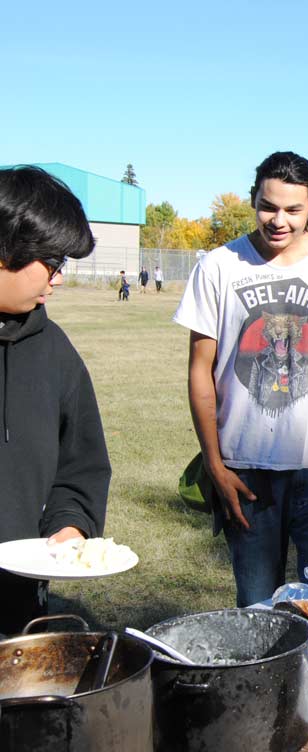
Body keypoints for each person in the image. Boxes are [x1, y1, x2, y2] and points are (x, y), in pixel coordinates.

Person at [174, 151, 308, 607]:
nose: (278, 220)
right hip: (245, 472)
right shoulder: (219, 266)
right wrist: (215, 465)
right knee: (257, 611)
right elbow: (199, 371)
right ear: (253, 200)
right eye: (268, 206)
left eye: (293, 210)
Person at [0, 166, 112, 634]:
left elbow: (79, 467)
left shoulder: (54, 350)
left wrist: (69, 528)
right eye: (52, 262)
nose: (58, 278)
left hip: (17, 609)